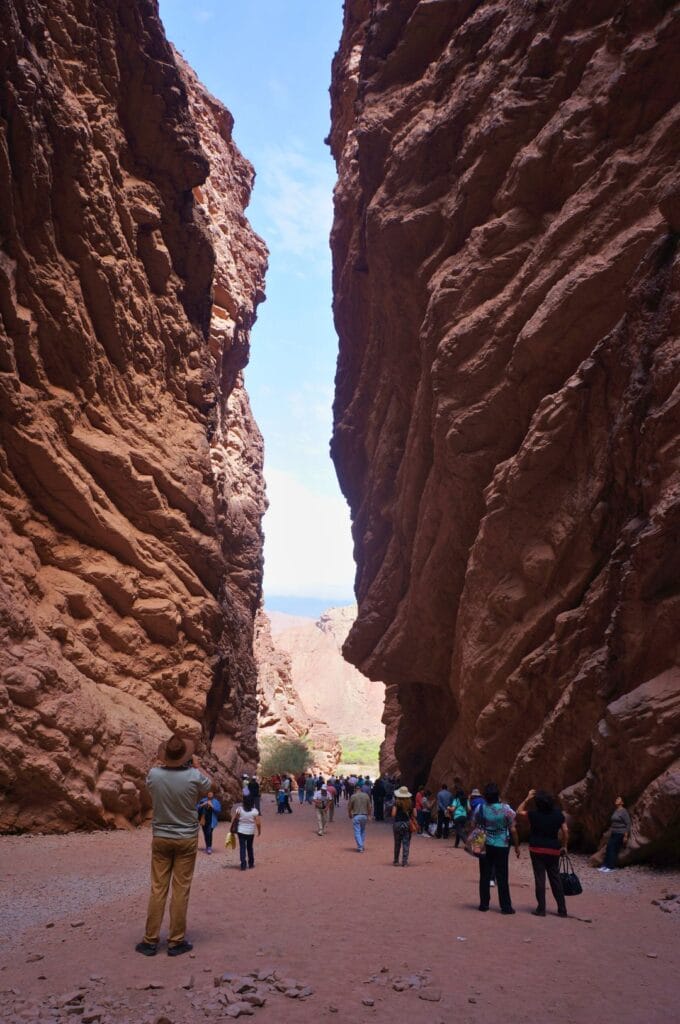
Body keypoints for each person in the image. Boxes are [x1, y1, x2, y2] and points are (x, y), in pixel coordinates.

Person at [136, 734, 211, 957]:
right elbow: (210, 786)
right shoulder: (194, 776)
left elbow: (151, 782)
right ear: (186, 757)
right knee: (181, 889)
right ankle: (176, 941)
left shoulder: (154, 775)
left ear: (165, 755)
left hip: (161, 837)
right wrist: (197, 765)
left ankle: (150, 941)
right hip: (186, 839)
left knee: (158, 888)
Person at [517, 789, 568, 917]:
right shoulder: (558, 815)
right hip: (553, 849)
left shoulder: (534, 814)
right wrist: (564, 846)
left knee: (540, 879)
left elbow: (518, 812)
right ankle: (562, 909)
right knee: (555, 878)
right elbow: (566, 831)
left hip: (537, 849)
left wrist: (527, 798)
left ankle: (541, 909)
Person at [474, 783, 519, 914]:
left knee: (484, 875)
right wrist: (516, 846)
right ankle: (506, 907)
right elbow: (513, 828)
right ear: (498, 795)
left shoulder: (480, 808)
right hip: (502, 845)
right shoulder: (506, 809)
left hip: (485, 845)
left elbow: (475, 823)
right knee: (502, 876)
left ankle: (484, 904)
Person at [599, 796, 632, 872]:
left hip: (620, 833)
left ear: (622, 802)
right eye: (616, 799)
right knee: (608, 848)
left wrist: (625, 836)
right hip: (614, 833)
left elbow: (628, 823)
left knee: (611, 848)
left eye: (618, 799)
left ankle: (610, 867)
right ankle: (605, 865)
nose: (616, 800)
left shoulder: (624, 811)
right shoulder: (616, 811)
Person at [232, 792, 261, 870]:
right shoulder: (255, 811)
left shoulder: (239, 809)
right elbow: (258, 823)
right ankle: (251, 863)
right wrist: (259, 831)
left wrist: (233, 828)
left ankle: (243, 864)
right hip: (250, 832)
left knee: (242, 848)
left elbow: (236, 819)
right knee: (249, 847)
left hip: (241, 831)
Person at [391, 786, 416, 866]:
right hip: (407, 824)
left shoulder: (396, 802)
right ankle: (404, 862)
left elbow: (393, 814)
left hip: (397, 824)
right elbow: (415, 814)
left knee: (397, 843)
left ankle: (396, 861)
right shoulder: (411, 803)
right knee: (406, 843)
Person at [348, 782, 371, 852]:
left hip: (356, 816)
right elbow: (369, 807)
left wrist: (349, 814)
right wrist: (369, 815)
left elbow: (350, 807)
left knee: (357, 831)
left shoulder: (353, 796)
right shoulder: (366, 796)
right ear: (361, 789)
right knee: (362, 831)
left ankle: (360, 846)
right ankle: (361, 844)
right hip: (364, 816)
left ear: (355, 789)